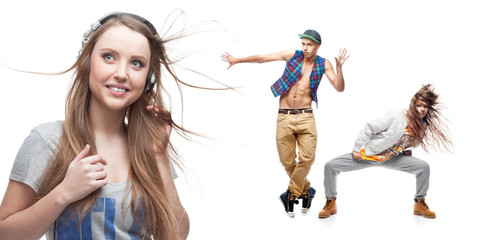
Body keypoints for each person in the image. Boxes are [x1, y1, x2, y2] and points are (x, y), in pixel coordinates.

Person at [0, 12, 190, 239]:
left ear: (148, 79)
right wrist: (63, 193)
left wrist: (159, 155)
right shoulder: (47, 140)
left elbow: (175, 236)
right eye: (109, 57)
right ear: (88, 61)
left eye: (136, 63)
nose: (121, 73)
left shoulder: (149, 148)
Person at [222, 30, 349, 217]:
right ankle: (306, 191)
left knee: (307, 159)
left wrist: (339, 68)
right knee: (287, 161)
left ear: (318, 46)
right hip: (284, 116)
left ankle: (290, 194)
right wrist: (237, 60)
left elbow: (339, 88)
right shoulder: (292, 56)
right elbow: (263, 58)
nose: (305, 48)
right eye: (303, 44)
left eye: (309, 45)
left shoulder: (324, 63)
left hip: (306, 116)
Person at [318, 84, 453, 219]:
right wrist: (357, 148)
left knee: (423, 167)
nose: (422, 109)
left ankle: (419, 204)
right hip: (368, 157)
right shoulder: (396, 116)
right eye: (419, 105)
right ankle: (331, 202)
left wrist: (408, 149)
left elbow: (416, 142)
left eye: (425, 107)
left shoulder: (422, 124)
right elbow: (369, 128)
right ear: (413, 103)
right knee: (330, 166)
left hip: (393, 159)